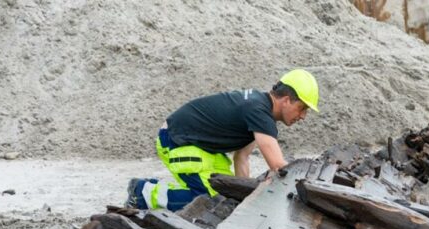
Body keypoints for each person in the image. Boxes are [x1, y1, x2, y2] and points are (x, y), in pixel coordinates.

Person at [126, 69, 319, 211]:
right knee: (209, 202)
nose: (302, 116)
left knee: (225, 195)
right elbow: (279, 166)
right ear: (286, 100)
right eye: (302, 108)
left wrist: (246, 200)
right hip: (177, 141)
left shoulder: (259, 109)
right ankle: (142, 192)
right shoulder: (258, 111)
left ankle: (157, 188)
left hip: (199, 146)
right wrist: (308, 194)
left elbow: (241, 158)